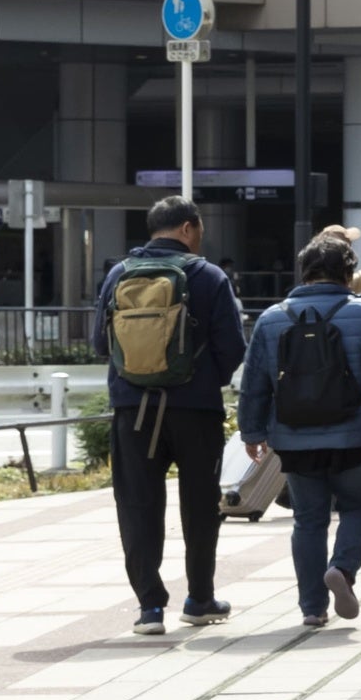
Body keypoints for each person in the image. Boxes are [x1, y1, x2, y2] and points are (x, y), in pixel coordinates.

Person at [234, 230, 361, 628]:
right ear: (348, 272)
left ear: (304, 272)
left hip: (295, 439)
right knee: (360, 507)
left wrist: (251, 433)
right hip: (355, 436)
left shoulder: (271, 319)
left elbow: (255, 384)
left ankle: (313, 608)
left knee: (308, 519)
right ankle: (343, 569)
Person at [97, 194, 251, 633]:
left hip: (133, 410)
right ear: (187, 228)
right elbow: (233, 348)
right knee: (200, 505)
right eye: (199, 228)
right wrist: (203, 378)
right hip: (195, 409)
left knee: (137, 505)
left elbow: (100, 344)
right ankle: (199, 599)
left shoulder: (118, 275)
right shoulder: (210, 276)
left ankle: (149, 607)